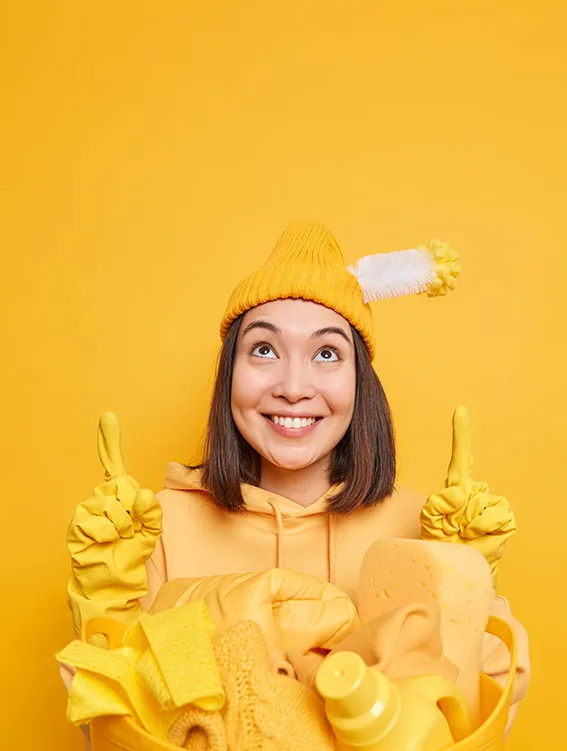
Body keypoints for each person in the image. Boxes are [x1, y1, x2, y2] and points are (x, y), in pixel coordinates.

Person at [66, 221, 529, 726]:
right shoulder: (155, 529)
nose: (292, 386)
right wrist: (105, 603)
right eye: (264, 350)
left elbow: (472, 725)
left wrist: (471, 583)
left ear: (360, 385)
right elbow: (117, 730)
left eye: (327, 354)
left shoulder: (422, 531)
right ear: (229, 375)